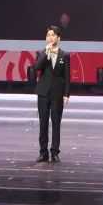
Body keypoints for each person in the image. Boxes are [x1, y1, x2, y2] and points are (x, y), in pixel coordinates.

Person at [34, 25, 70, 162]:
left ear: (58, 38)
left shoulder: (64, 55)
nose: (50, 37)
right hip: (43, 93)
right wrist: (46, 53)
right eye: (48, 35)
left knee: (56, 123)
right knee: (43, 123)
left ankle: (55, 152)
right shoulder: (41, 53)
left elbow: (67, 76)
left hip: (57, 93)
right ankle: (43, 152)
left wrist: (66, 94)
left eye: (53, 35)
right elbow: (37, 67)